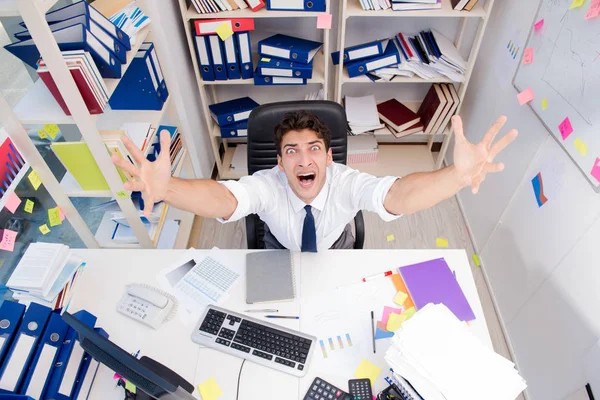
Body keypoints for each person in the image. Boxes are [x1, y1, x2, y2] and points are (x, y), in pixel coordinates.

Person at [112, 111, 517, 251]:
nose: (303, 160)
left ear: (328, 155)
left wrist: (457, 175)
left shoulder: (345, 181)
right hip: (277, 249)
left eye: (313, 149)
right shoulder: (268, 183)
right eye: (292, 151)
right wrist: (166, 189)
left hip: (334, 248)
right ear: (280, 160)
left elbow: (397, 196)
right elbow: (224, 199)